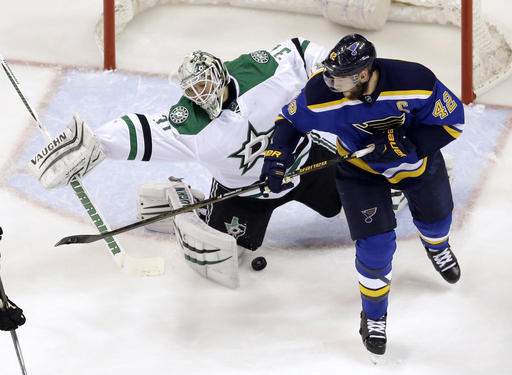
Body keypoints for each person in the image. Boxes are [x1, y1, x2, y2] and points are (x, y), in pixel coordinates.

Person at [28, 38, 353, 288]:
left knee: (340, 204)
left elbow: (299, 50)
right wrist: (94, 143)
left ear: (220, 76)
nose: (201, 94)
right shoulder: (190, 124)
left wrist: (329, 73)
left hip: (302, 164)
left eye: (204, 85)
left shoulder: (259, 71)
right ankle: (186, 203)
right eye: (193, 90)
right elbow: (143, 129)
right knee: (224, 258)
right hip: (243, 194)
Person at [260, 34, 464, 356]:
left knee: (437, 224)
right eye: (330, 73)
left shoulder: (415, 81)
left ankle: (437, 248)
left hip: (415, 166)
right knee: (376, 245)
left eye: (339, 77)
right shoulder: (320, 93)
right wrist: (276, 157)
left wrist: (405, 146)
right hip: (360, 172)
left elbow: (451, 123)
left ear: (364, 74)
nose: (330, 81)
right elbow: (289, 121)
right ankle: (374, 316)